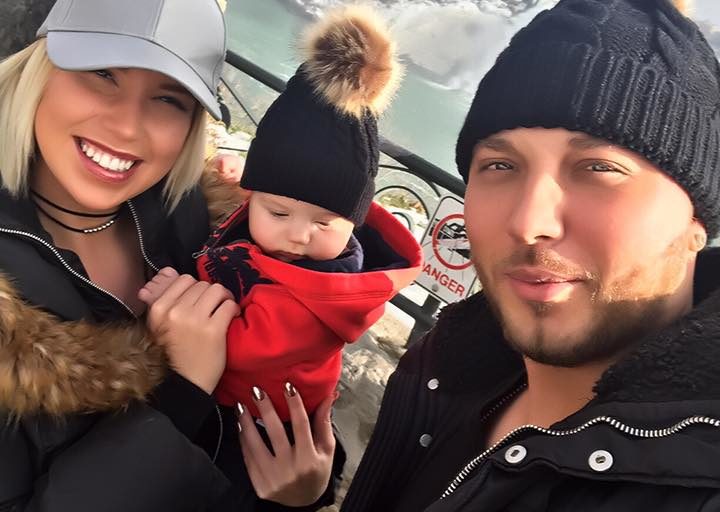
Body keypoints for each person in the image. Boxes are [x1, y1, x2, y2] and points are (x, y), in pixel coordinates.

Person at [341, 0, 720, 510]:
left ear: (697, 221)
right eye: (499, 166)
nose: (528, 222)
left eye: (598, 168)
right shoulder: (443, 361)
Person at [0, 0, 340, 510]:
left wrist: (301, 491)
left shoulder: (200, 221)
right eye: (101, 72)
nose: (128, 127)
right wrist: (181, 392)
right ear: (38, 67)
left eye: (169, 99)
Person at [139, 5, 422, 426]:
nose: (299, 234)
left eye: (324, 222)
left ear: (354, 223)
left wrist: (176, 299)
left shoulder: (319, 299)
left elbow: (234, 347)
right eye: (277, 211)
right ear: (252, 195)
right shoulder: (264, 224)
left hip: (253, 419)